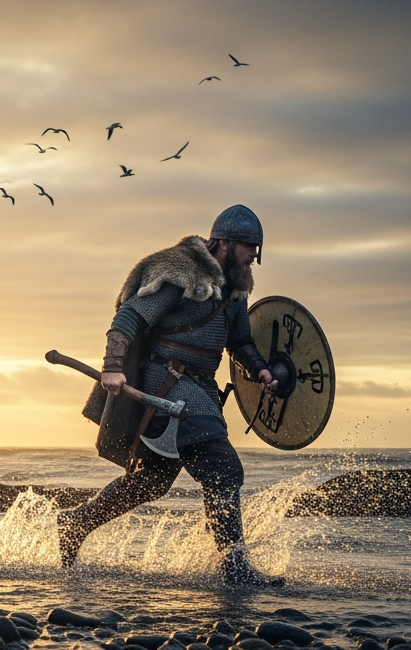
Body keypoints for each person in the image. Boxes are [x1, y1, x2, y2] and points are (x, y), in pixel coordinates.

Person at [56, 204, 284, 586]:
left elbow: (240, 341)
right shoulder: (180, 270)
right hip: (167, 384)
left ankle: (76, 522)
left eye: (258, 248)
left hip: (201, 391)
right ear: (224, 243)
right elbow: (129, 317)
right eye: (248, 246)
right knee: (224, 470)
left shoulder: (236, 289)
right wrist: (113, 366)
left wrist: (258, 368)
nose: (254, 255)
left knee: (152, 481)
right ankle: (234, 568)